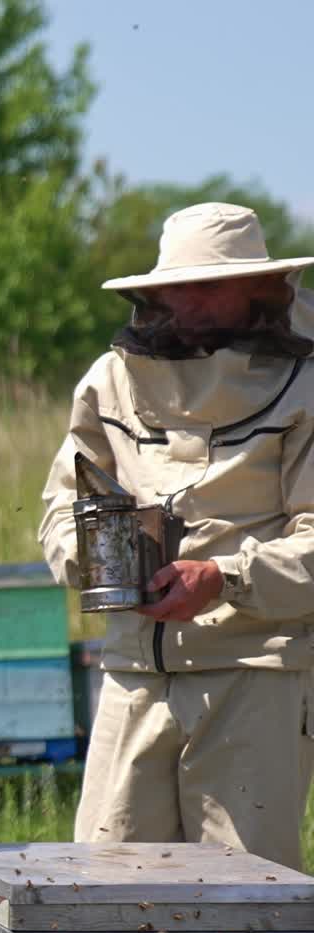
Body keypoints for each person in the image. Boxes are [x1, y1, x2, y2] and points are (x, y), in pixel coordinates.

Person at [40, 202, 314, 868]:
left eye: (210, 284)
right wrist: (95, 560)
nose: (188, 301)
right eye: (178, 284)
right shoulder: (111, 380)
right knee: (104, 892)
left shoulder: (307, 384)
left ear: (260, 289)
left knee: (248, 900)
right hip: (135, 671)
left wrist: (223, 578)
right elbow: (62, 505)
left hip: (255, 675)